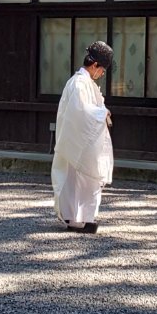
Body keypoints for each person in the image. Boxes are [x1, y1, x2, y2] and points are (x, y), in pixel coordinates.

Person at [52, 41, 114, 234]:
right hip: (78, 142)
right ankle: (76, 219)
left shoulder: (84, 82)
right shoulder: (79, 83)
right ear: (95, 65)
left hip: (80, 141)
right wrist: (101, 114)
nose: (102, 74)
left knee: (83, 180)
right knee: (79, 179)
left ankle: (82, 218)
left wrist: (100, 112)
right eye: (102, 70)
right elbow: (81, 112)